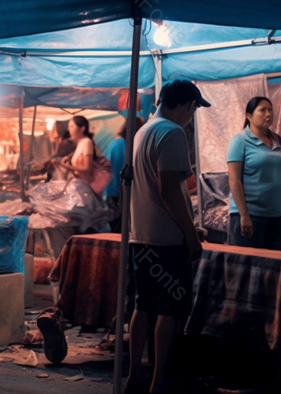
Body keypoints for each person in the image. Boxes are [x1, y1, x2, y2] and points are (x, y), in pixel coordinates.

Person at [126, 79, 209, 394]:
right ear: (188, 105)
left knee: (142, 305)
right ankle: (159, 380)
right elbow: (169, 189)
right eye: (194, 109)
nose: (192, 116)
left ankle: (135, 375)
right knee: (169, 311)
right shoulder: (172, 132)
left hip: (141, 236)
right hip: (167, 241)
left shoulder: (143, 131)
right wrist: (190, 234)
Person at [227, 97, 281, 251]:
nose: (268, 114)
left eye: (270, 109)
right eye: (262, 110)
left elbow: (280, 175)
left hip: (277, 216)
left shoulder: (277, 140)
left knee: (273, 264)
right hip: (251, 216)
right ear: (249, 116)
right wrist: (244, 215)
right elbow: (234, 181)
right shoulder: (240, 141)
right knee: (249, 263)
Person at [105, 117, 145, 233]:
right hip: (122, 189)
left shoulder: (118, 144)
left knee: (119, 223)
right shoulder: (127, 144)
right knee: (122, 223)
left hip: (117, 189)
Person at [57, 116, 97, 183]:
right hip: (80, 182)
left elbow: (88, 169)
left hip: (86, 184)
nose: (69, 129)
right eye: (69, 126)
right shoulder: (81, 142)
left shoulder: (86, 142)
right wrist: (69, 157)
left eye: (72, 126)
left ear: (82, 128)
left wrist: (68, 167)